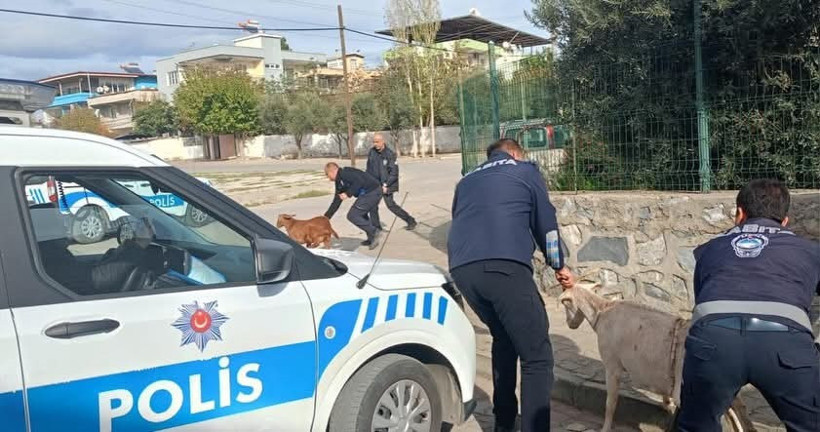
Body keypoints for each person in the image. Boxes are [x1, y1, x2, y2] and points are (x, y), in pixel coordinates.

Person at [447, 138, 576, 432]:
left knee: (504, 341)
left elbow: (461, 220)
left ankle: (504, 424)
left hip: (463, 271)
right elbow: (547, 224)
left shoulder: (465, 180)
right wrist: (559, 265)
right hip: (503, 267)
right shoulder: (525, 170)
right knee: (537, 356)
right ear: (516, 153)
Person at [676, 179, 820, 431]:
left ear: (739, 213)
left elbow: (703, 300)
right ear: (785, 220)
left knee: (696, 425)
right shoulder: (809, 250)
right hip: (785, 345)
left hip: (715, 341)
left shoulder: (709, 249)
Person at [323, 162, 382, 250]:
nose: (329, 178)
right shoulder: (339, 181)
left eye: (328, 175)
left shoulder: (345, 173)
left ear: (332, 171)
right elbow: (337, 200)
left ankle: (374, 231)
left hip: (373, 191)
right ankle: (371, 237)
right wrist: (326, 218)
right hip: (368, 193)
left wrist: (348, 193)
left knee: (352, 215)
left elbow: (359, 181)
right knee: (361, 214)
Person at [366, 133, 417, 231]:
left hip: (386, 185)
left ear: (383, 141)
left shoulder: (389, 154)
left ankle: (410, 220)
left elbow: (394, 173)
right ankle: (377, 229)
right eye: (374, 142)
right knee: (372, 206)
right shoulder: (372, 152)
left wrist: (386, 185)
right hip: (375, 184)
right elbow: (369, 168)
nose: (375, 144)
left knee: (391, 205)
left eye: (377, 142)